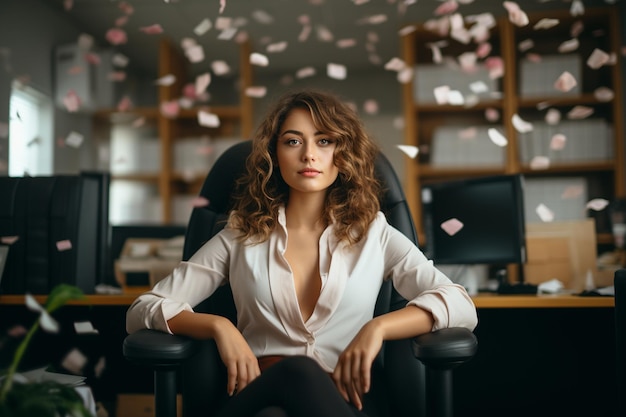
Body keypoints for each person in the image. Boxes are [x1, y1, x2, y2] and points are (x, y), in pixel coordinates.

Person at [126, 88, 478, 417]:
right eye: (293, 141)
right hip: (259, 393)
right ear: (275, 155)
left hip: (349, 398)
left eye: (324, 141)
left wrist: (378, 328)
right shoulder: (240, 234)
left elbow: (459, 304)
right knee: (294, 375)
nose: (309, 154)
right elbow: (143, 310)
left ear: (342, 154)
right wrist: (219, 327)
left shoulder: (375, 233)